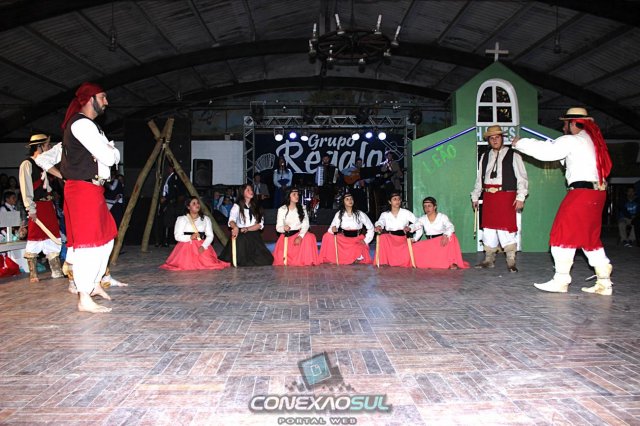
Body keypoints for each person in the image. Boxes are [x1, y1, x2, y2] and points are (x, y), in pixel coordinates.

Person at [512, 107, 614, 295]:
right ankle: (604, 282)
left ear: (573, 123)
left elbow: (548, 152)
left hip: (581, 193)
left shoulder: (572, 140)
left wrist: (521, 143)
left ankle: (561, 280)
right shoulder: (593, 142)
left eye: (565, 123)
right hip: (597, 194)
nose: (563, 127)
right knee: (589, 238)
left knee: (561, 233)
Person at [59, 82, 120, 313]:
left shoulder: (92, 126)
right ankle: (84, 296)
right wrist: (111, 151)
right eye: (103, 97)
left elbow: (110, 155)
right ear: (90, 99)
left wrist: (110, 151)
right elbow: (110, 156)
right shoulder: (81, 124)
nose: (107, 102)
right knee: (88, 243)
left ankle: (94, 284)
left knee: (107, 237)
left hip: (93, 189)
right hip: (82, 189)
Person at [470, 125, 528, 272]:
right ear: (488, 140)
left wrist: (521, 197)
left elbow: (522, 178)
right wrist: (475, 195)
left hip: (506, 195)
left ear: (502, 138)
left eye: (497, 137)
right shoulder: (485, 156)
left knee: (506, 228)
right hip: (489, 196)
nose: (495, 140)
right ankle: (489, 259)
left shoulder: (513, 155)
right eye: (491, 138)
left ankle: (511, 260)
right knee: (488, 228)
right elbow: (479, 179)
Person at [19, 134, 63, 282]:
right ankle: (33, 274)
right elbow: (26, 188)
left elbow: (47, 186)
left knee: (53, 236)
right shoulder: (27, 164)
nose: (49, 148)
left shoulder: (45, 163)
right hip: (36, 207)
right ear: (39, 147)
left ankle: (56, 271)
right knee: (35, 237)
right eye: (47, 145)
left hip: (47, 206)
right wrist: (30, 208)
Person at [160, 196, 230, 271]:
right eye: (194, 203)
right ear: (188, 207)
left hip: (201, 245)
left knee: (208, 263)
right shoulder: (182, 219)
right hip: (185, 247)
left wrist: (204, 246)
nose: (197, 205)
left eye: (198, 203)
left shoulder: (206, 219)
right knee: (185, 265)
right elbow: (177, 236)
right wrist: (190, 237)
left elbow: (210, 235)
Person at [219, 183, 274, 266]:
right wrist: (235, 227)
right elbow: (231, 220)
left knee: (266, 259)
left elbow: (260, 224)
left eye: (251, 189)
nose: (251, 191)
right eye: (247, 190)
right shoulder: (237, 206)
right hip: (241, 233)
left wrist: (247, 229)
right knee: (241, 243)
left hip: (253, 234)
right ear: (242, 193)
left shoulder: (257, 207)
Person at [411, 197, 469, 270]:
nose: (427, 208)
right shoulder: (422, 218)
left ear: (435, 207)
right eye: (425, 206)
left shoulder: (442, 217)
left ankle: (452, 262)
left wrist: (445, 235)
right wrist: (409, 228)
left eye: (429, 206)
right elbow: (415, 225)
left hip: (442, 242)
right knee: (414, 246)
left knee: (452, 237)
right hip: (430, 243)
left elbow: (451, 227)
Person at [319, 191, 374, 265]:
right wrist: (333, 229)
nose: (350, 201)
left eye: (351, 199)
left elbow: (371, 228)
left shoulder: (360, 214)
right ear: (343, 202)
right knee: (327, 236)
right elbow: (332, 228)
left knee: (360, 249)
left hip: (356, 239)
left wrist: (366, 240)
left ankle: (354, 257)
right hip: (344, 240)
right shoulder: (339, 214)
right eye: (347, 199)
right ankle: (337, 257)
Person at [272, 187, 318, 266]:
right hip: (287, 236)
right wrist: (284, 228)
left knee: (310, 237)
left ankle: (306, 259)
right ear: (288, 196)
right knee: (281, 259)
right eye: (294, 194)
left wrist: (300, 236)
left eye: (297, 194)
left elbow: (306, 224)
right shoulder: (282, 209)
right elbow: (278, 228)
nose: (297, 196)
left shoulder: (302, 208)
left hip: (299, 233)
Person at [373, 192, 417, 267]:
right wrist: (379, 226)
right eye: (395, 199)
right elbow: (381, 222)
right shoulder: (385, 214)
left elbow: (418, 222)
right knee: (383, 237)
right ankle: (383, 261)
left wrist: (411, 229)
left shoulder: (406, 212)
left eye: (399, 199)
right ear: (390, 202)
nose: (397, 201)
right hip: (390, 239)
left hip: (402, 238)